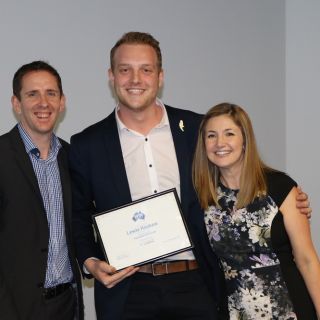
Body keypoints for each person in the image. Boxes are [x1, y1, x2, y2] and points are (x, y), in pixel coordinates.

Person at [69, 32, 311, 320]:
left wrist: (284, 195)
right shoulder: (87, 144)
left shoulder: (197, 130)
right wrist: (90, 261)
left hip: (197, 284)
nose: (136, 79)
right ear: (111, 76)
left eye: (146, 70)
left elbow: (236, 175)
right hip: (128, 290)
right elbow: (78, 213)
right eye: (125, 70)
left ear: (160, 76)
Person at [192, 102, 320, 319]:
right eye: (211, 136)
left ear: (245, 141)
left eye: (229, 133)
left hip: (289, 309)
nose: (219, 143)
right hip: (235, 312)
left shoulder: (280, 186)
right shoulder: (204, 198)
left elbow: (306, 259)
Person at [0, 61, 84, 320]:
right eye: (32, 94)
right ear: (16, 103)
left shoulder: (73, 158)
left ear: (62, 102)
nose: (43, 103)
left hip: (66, 306)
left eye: (51, 93)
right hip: (13, 308)